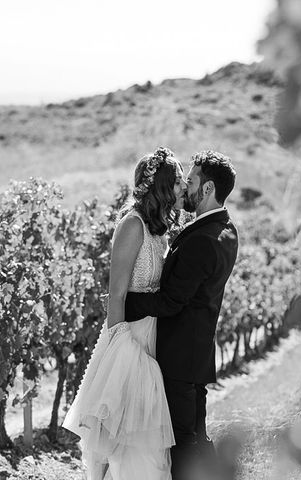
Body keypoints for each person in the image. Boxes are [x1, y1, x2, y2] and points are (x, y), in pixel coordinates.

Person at [63, 147, 186, 480]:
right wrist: (121, 349)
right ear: (162, 187)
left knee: (146, 439)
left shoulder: (159, 230)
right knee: (121, 439)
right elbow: (116, 295)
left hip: (153, 337)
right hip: (126, 339)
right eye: (177, 183)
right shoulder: (132, 225)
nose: (182, 189)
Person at [123, 150, 239, 480]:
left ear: (207, 189)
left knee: (182, 445)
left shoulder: (204, 239)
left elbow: (172, 301)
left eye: (191, 181)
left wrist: (126, 303)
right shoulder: (224, 229)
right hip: (196, 356)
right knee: (196, 439)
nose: (184, 187)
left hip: (180, 360)